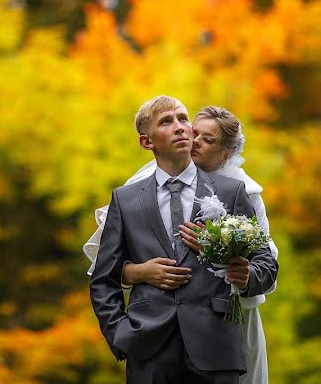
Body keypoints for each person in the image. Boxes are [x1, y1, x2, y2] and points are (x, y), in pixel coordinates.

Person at [88, 95, 278, 383]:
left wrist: (245, 273)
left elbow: (266, 263)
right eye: (166, 122)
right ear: (146, 142)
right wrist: (120, 334)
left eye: (183, 119)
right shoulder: (125, 200)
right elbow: (103, 279)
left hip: (217, 350)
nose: (179, 127)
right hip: (148, 349)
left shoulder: (233, 191)